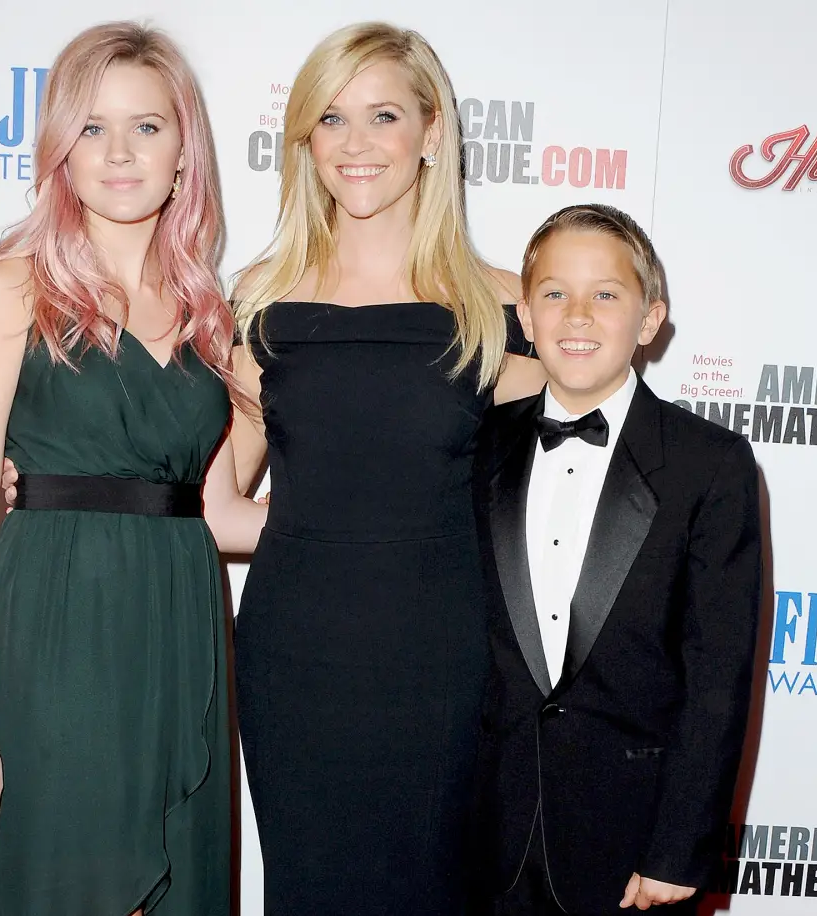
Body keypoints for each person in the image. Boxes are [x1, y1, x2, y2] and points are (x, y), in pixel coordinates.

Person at [0, 22, 265, 916]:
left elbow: (223, 512)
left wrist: (371, 516)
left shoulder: (217, 321)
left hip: (184, 633)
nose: (119, 153)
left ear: (184, 148)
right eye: (91, 127)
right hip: (56, 637)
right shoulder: (10, 289)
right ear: (60, 150)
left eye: (147, 127)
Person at [227, 22, 546, 915]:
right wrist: (68, 491)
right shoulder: (261, 305)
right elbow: (215, 504)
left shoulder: (506, 307)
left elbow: (574, 501)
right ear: (304, 140)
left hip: (444, 659)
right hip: (295, 663)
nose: (356, 144)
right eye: (331, 119)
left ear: (432, 131)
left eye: (383, 115)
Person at [470, 204, 762, 916]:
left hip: (631, 849)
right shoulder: (478, 446)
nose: (577, 315)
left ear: (650, 318)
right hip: (484, 836)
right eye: (554, 294)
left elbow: (718, 673)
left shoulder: (709, 464)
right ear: (525, 316)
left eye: (606, 294)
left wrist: (678, 846)